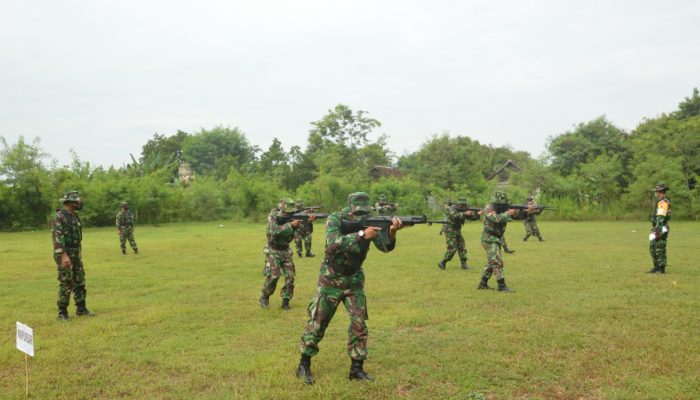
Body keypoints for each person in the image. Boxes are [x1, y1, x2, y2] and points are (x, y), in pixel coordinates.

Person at [296, 192, 406, 384]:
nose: (360, 215)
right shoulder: (335, 218)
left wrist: (392, 231)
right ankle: (303, 364)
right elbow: (332, 243)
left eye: (363, 211)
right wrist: (362, 234)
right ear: (349, 207)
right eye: (357, 212)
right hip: (331, 278)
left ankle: (356, 369)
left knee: (359, 323)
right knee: (318, 321)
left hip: (354, 279)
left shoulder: (371, 220)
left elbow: (385, 248)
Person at [260, 198, 315, 310]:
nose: (289, 213)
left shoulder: (294, 216)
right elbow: (273, 230)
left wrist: (306, 222)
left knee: (290, 277)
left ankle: (285, 301)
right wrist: (291, 225)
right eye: (287, 211)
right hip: (273, 250)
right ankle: (264, 297)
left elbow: (299, 232)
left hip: (286, 250)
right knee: (274, 276)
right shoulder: (273, 216)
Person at [51, 190, 94, 320]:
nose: (79, 203)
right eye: (77, 201)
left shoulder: (74, 216)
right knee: (66, 281)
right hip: (64, 252)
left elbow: (78, 236)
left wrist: (79, 252)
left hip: (75, 251)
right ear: (70, 202)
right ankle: (62, 312)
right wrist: (64, 255)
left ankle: (81, 308)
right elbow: (57, 238)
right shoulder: (60, 217)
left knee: (80, 280)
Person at [477, 191, 529, 292]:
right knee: (496, 261)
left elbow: (517, 216)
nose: (505, 206)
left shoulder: (503, 209)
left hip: (497, 238)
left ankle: (483, 284)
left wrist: (526, 211)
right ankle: (501, 286)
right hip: (488, 238)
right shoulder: (488, 208)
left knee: (491, 262)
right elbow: (497, 219)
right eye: (503, 204)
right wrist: (508, 213)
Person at [437, 197, 480, 270]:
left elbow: (472, 218)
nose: (463, 206)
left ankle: (464, 264)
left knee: (462, 246)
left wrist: (478, 214)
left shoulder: (465, 209)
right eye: (461, 205)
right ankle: (443, 262)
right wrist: (464, 213)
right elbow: (453, 215)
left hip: (457, 229)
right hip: (449, 229)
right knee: (452, 248)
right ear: (458, 204)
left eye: (464, 205)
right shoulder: (452, 208)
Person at [648, 183, 671, 274]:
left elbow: (661, 217)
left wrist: (657, 231)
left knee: (659, 247)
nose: (656, 193)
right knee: (653, 247)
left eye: (657, 191)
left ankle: (661, 268)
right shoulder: (663, 201)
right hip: (659, 227)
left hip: (661, 227)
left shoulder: (663, 202)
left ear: (660, 191)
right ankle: (656, 267)